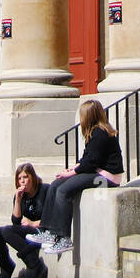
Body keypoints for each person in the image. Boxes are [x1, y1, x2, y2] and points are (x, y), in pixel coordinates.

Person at [28, 100, 123, 256]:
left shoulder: (100, 132)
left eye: (82, 115)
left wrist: (72, 173)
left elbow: (91, 162)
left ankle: (64, 238)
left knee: (64, 191)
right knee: (55, 185)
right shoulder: (95, 132)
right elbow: (87, 158)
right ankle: (47, 231)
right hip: (97, 172)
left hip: (106, 177)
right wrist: (72, 168)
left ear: (89, 116)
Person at [0, 162, 50, 278]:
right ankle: (6, 266)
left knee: (7, 230)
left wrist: (33, 223)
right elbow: (16, 221)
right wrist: (18, 200)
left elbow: (52, 218)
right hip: (29, 230)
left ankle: (35, 265)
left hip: (44, 230)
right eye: (19, 178)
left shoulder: (45, 190)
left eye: (25, 177)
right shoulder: (21, 195)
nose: (22, 181)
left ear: (32, 177)